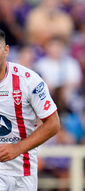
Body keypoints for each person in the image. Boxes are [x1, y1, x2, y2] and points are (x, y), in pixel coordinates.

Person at [0, 29, 60, 190]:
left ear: (6, 51)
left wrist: (17, 148)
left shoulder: (28, 80)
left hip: (24, 171)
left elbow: (53, 124)